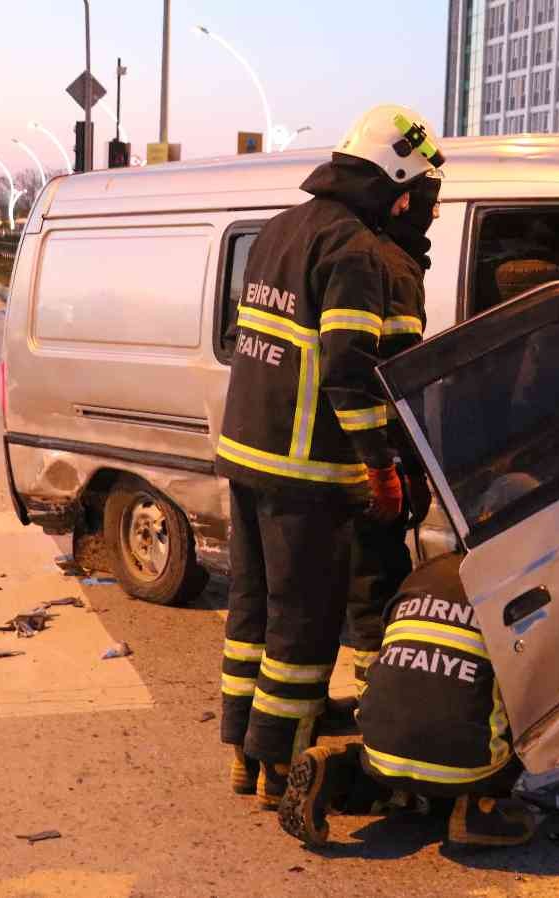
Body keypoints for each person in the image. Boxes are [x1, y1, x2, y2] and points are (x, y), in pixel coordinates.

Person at [216, 105, 447, 808]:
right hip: (306, 473)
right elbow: (350, 368)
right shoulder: (354, 251)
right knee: (304, 624)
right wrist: (379, 464)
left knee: (251, 612)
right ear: (396, 184)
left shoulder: (282, 231)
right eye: (418, 195)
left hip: (247, 457)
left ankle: (242, 753)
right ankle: (282, 768)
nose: (421, 210)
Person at [278, 553, 537, 849]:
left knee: (388, 765)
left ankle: (335, 772)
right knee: (520, 718)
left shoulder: (426, 573)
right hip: (464, 762)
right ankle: (478, 809)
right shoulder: (515, 586)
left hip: (382, 749)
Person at [341, 171, 442, 701]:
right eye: (430, 207)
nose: (435, 216)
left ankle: (370, 689)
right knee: (377, 578)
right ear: (404, 206)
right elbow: (396, 377)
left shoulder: (384, 256)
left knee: (368, 577)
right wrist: (403, 466)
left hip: (366, 446)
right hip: (376, 450)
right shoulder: (394, 267)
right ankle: (374, 695)